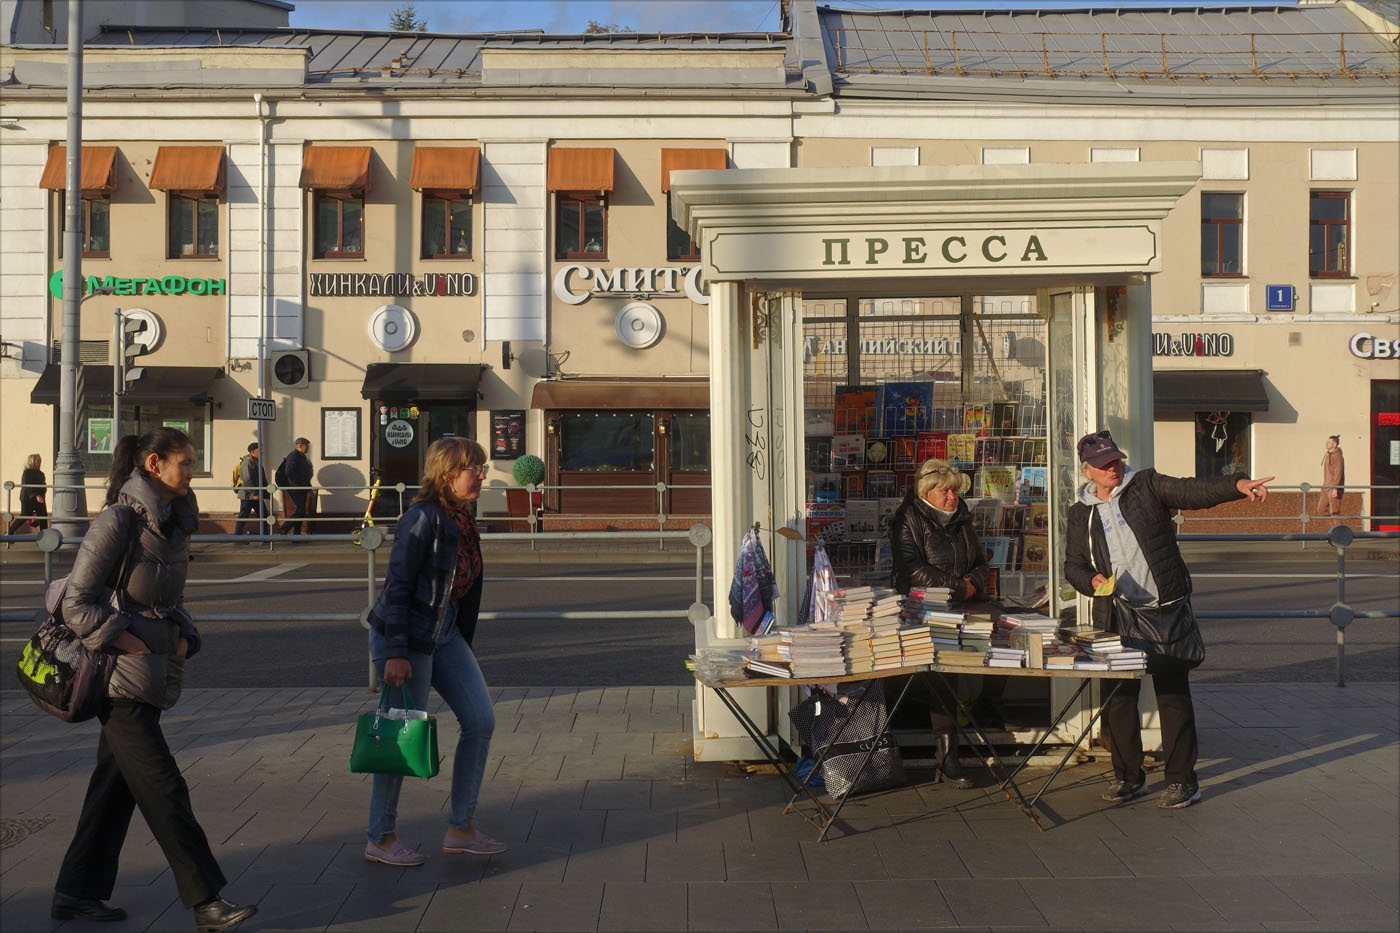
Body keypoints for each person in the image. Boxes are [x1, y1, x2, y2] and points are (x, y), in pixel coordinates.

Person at [52, 427, 257, 932]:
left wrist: (186, 633)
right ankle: (206, 901)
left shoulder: (169, 523)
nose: (192, 471)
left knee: (114, 787)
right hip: (116, 679)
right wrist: (129, 643)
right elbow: (76, 603)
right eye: (185, 462)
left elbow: (164, 598)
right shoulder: (118, 521)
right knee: (165, 788)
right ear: (153, 464)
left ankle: (75, 893)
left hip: (147, 673)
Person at [1064, 430, 1273, 810]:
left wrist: (1236, 485)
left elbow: (1192, 491)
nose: (1113, 468)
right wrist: (1090, 580)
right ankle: (1129, 778)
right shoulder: (1080, 513)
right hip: (1117, 613)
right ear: (1087, 471)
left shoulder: (1146, 485)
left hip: (1165, 609)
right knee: (1119, 698)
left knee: (1173, 695)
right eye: (1104, 464)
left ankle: (1182, 780)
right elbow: (1073, 564)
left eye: (1116, 460)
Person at [363, 436, 500, 866]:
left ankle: (461, 828)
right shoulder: (422, 518)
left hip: (445, 633)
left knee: (480, 720)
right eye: (474, 469)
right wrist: (396, 653)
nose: (482, 475)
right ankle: (380, 837)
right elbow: (398, 586)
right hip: (406, 638)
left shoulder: (462, 518)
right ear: (448, 473)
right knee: (401, 736)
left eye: (482, 468)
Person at [890, 457, 999, 789]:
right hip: (926, 606)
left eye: (954, 491)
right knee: (942, 668)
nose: (952, 497)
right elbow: (911, 568)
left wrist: (972, 584)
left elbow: (981, 561)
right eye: (945, 492)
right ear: (927, 492)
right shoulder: (907, 518)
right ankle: (948, 754)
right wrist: (958, 586)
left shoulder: (962, 516)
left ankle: (986, 710)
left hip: (964, 602)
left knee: (1003, 640)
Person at [277, 437, 314, 534]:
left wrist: (308, 487)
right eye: (306, 446)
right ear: (300, 446)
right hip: (295, 488)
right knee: (301, 510)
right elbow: (289, 472)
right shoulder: (293, 456)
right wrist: (297, 484)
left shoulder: (302, 457)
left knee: (300, 511)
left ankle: (296, 536)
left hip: (301, 488)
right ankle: (284, 528)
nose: (308, 448)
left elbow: (305, 474)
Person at [234, 443, 267, 537]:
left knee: (263, 514)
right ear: (252, 452)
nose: (261, 453)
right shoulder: (247, 463)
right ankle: (238, 536)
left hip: (255, 494)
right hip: (248, 495)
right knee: (244, 515)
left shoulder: (256, 462)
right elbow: (247, 480)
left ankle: (264, 535)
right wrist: (254, 493)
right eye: (259, 451)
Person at [9, 452, 47, 534]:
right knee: (25, 515)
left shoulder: (41, 473)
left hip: (39, 497)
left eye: (40, 460)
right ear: (32, 461)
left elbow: (43, 485)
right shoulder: (27, 472)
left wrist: (42, 494)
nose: (39, 462)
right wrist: (37, 495)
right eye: (37, 460)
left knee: (43, 516)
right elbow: (28, 485)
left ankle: (44, 536)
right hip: (28, 498)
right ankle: (9, 532)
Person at [1319, 435, 1344, 517]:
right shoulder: (1328, 455)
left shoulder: (1337, 456)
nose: (1327, 443)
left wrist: (1335, 488)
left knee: (1335, 513)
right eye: (1327, 441)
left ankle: (1337, 526)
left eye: (1329, 442)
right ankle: (1332, 525)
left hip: (1333, 488)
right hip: (1326, 487)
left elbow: (1338, 472)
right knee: (1321, 510)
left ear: (1335, 444)